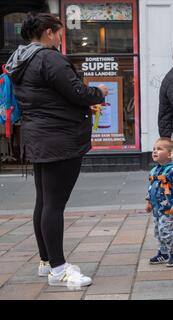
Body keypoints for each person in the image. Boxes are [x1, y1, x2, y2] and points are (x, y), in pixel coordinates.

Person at [5, 12, 108, 287]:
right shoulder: (48, 57)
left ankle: (46, 262)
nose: (62, 38)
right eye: (60, 32)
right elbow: (76, 92)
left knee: (44, 201)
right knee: (54, 205)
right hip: (59, 138)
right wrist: (98, 93)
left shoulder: (21, 59)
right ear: (49, 32)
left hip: (39, 136)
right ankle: (59, 269)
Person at [145, 138, 173, 267]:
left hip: (170, 208)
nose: (154, 151)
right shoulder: (154, 171)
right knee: (159, 232)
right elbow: (151, 187)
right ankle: (163, 253)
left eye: (159, 149)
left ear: (170, 154)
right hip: (158, 208)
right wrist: (149, 202)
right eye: (154, 149)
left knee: (167, 231)